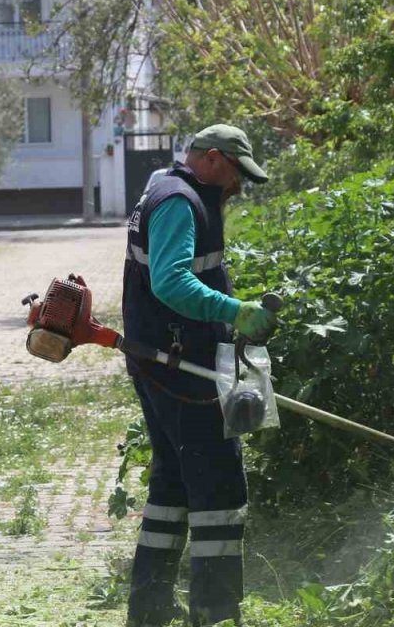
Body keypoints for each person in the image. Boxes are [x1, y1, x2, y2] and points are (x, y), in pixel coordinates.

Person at [122, 124, 278, 626]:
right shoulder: (179, 202)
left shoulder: (164, 186)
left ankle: (150, 609)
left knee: (172, 482)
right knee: (218, 482)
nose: (236, 185)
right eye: (234, 173)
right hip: (179, 365)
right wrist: (235, 311)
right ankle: (214, 612)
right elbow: (170, 281)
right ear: (212, 159)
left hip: (164, 358)